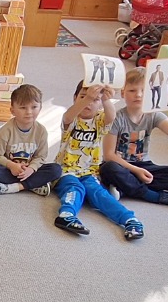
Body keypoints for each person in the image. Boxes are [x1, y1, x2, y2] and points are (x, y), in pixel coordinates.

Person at [55, 81, 144, 240]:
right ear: (75, 98)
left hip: (89, 172)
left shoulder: (100, 120)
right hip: (66, 170)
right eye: (83, 97)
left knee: (99, 194)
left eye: (95, 100)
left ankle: (129, 220)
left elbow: (111, 116)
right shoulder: (72, 118)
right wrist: (89, 97)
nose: (88, 103)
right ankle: (66, 215)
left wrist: (106, 99)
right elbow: (67, 116)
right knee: (75, 189)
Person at [100, 67, 168, 207]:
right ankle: (153, 195)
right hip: (121, 165)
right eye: (132, 90)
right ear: (123, 93)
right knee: (108, 168)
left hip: (144, 164)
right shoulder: (117, 118)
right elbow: (108, 155)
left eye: (144, 91)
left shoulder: (153, 115)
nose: (138, 95)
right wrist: (136, 170)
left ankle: (125, 188)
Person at [0, 83, 62, 195]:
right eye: (23, 107)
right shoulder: (4, 132)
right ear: (12, 110)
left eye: (34, 107)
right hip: (10, 170)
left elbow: (41, 157)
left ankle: (16, 187)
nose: (29, 112)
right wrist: (12, 166)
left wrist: (31, 169)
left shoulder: (41, 131)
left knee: (56, 169)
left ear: (40, 108)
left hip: (30, 171)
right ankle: (33, 185)